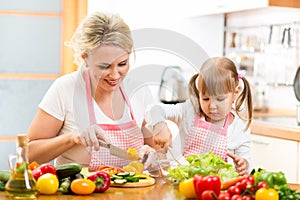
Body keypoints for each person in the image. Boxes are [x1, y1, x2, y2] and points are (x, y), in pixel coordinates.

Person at [27, 12, 159, 171]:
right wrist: (72, 138)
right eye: (104, 66)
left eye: (122, 64)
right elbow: (28, 155)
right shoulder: (65, 88)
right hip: (81, 191)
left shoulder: (140, 90)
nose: (115, 75)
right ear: (85, 59)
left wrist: (151, 153)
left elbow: (155, 148)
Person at [143, 56, 253, 175]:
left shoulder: (240, 127)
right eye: (205, 99)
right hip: (184, 185)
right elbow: (153, 109)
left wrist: (243, 165)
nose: (212, 106)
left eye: (220, 99)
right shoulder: (190, 110)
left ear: (235, 93)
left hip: (219, 189)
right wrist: (159, 124)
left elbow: (247, 165)